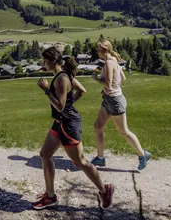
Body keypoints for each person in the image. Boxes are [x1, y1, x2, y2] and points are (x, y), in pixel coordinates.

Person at [33, 47, 114, 210]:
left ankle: (105, 190)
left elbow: (61, 106)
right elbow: (81, 91)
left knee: (80, 161)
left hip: (67, 124)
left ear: (52, 61)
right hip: (60, 122)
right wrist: (69, 105)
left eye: (44, 61)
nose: (43, 63)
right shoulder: (64, 75)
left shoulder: (61, 79)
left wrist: (47, 91)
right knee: (45, 154)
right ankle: (50, 196)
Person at [91, 39, 151, 170]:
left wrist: (97, 79)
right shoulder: (114, 61)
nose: (96, 52)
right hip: (110, 98)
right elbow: (122, 79)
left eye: (98, 49)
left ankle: (142, 155)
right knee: (98, 126)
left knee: (124, 131)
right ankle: (100, 158)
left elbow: (108, 82)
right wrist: (109, 89)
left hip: (115, 101)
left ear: (104, 50)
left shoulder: (109, 62)